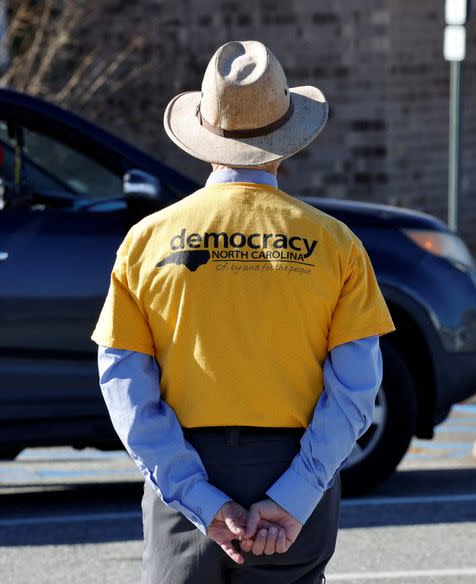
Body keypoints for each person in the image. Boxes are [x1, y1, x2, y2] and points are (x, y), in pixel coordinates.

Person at [91, 40, 395, 583]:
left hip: (183, 469)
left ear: (206, 137)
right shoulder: (336, 244)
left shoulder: (145, 240)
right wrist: (297, 493)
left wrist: (198, 497)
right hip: (296, 462)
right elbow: (356, 390)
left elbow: (124, 385)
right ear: (286, 140)